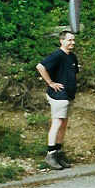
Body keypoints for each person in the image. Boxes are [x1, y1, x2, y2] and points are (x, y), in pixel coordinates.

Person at [36, 30, 79, 170]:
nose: (72, 42)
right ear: (62, 41)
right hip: (59, 96)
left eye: (73, 40)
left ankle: (58, 153)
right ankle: (50, 154)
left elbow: (74, 73)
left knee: (63, 124)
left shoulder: (72, 57)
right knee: (57, 123)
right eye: (69, 40)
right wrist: (50, 83)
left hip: (68, 96)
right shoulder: (57, 55)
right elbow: (40, 66)